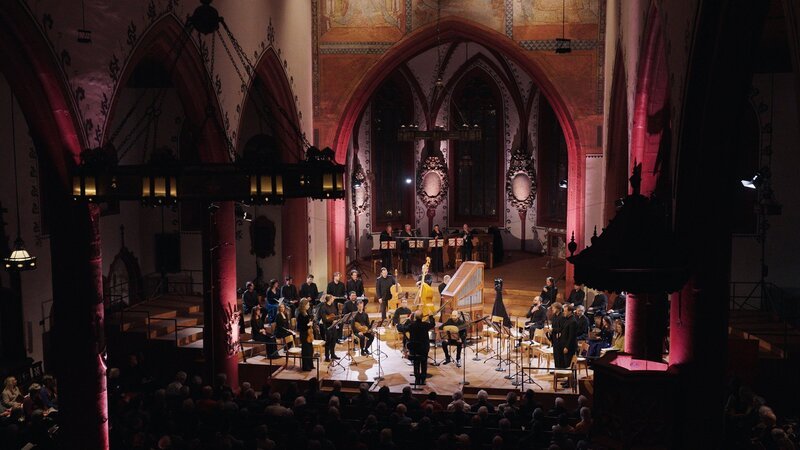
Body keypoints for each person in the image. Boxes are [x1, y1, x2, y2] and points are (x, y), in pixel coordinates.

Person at [405, 310, 434, 385]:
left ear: (414, 317)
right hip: (424, 348)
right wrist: (430, 316)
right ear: (422, 317)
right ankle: (423, 379)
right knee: (424, 363)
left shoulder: (411, 325)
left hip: (414, 349)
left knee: (416, 363)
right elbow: (433, 324)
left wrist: (408, 319)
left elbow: (403, 328)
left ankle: (417, 378)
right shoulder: (425, 325)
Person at [316, 294, 340, 362]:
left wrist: (337, 319)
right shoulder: (323, 307)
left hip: (334, 326)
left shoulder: (333, 305)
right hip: (327, 327)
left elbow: (335, 314)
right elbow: (324, 319)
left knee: (334, 340)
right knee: (328, 342)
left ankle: (332, 354)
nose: (333, 299)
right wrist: (332, 320)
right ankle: (327, 357)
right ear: (329, 299)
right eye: (332, 298)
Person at [296, 298, 315, 371]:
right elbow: (300, 327)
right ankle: (305, 367)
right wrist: (308, 324)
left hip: (308, 334)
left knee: (310, 350)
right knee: (306, 351)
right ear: (304, 305)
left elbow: (308, 322)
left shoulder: (306, 312)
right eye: (307, 304)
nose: (308, 305)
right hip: (304, 334)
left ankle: (310, 365)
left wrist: (310, 323)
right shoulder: (300, 314)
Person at [549, 302, 566, 368]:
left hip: (560, 338)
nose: (552, 309)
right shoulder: (554, 316)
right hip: (554, 336)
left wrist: (553, 330)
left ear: (558, 308)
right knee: (555, 354)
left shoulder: (562, 316)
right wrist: (551, 330)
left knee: (559, 354)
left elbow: (562, 328)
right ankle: (557, 368)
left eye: (553, 308)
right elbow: (554, 326)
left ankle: (561, 369)